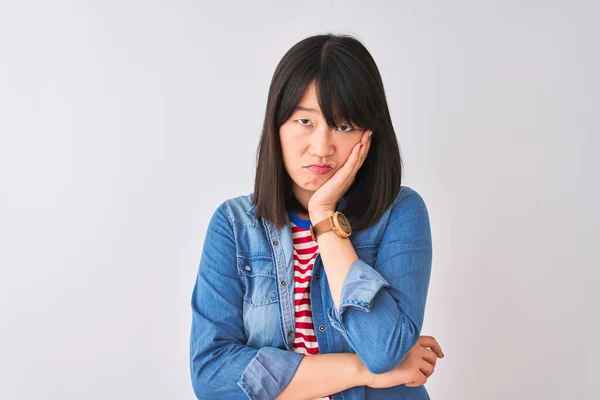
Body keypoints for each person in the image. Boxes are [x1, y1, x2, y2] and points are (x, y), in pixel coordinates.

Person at [189, 33, 444, 400]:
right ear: (276, 126)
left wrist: (324, 218)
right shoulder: (234, 226)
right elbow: (211, 375)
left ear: (369, 136)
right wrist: (361, 371)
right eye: (304, 121)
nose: (321, 147)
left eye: (343, 125)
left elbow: (384, 349)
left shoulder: (400, 213)